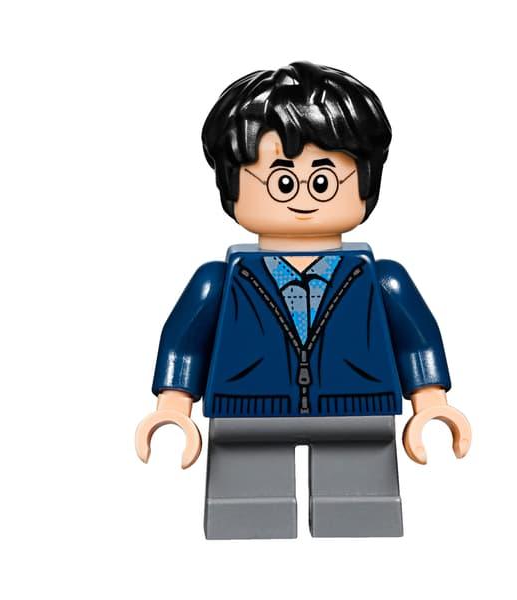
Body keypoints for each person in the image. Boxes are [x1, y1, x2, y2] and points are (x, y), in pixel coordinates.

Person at [135, 61, 471, 539]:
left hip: (357, 410)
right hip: (247, 412)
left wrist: (432, 401)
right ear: (232, 186)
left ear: (366, 182)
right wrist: (173, 407)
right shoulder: (219, 281)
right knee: (245, 509)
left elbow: (416, 339)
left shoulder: (382, 280)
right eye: (282, 181)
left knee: (361, 508)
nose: (303, 199)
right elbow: (184, 342)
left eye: (323, 180)